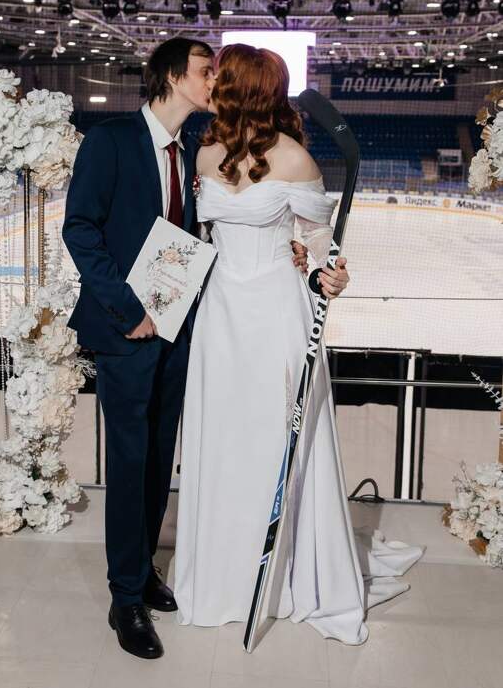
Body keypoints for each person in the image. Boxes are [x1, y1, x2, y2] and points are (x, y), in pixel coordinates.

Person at [63, 37, 308, 660]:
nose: (214, 81)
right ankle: (125, 599)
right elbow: (80, 230)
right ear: (173, 77)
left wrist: (292, 247)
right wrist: (129, 310)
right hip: (125, 330)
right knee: (128, 462)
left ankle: (142, 568)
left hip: (181, 330)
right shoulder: (112, 140)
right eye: (205, 72)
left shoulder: (194, 150)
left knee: (157, 459)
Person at [173, 44, 424, 643]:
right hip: (219, 315)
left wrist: (328, 274)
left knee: (273, 436)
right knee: (223, 436)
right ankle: (222, 573)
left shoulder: (295, 159)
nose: (212, 84)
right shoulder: (203, 154)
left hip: (276, 314)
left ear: (239, 88)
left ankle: (288, 568)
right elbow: (198, 237)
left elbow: (317, 244)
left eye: (220, 77)